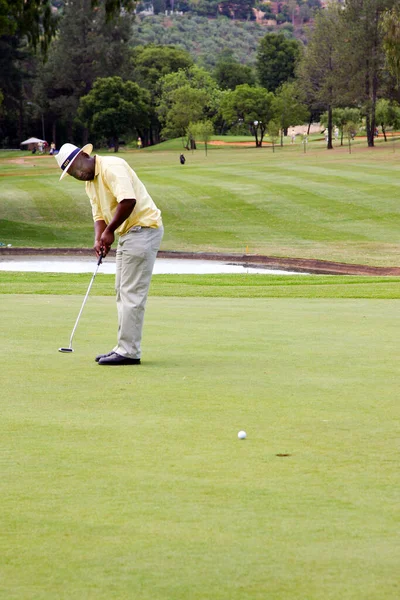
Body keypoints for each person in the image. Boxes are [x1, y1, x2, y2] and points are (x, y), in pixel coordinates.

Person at [55, 143, 163, 365]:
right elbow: (98, 215)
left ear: (84, 155)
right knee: (121, 291)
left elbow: (128, 201)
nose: (78, 174)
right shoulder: (90, 184)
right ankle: (123, 347)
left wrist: (109, 231)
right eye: (72, 174)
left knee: (131, 292)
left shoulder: (111, 166)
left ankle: (129, 351)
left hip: (143, 229)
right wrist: (99, 236)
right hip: (128, 233)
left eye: (76, 168)